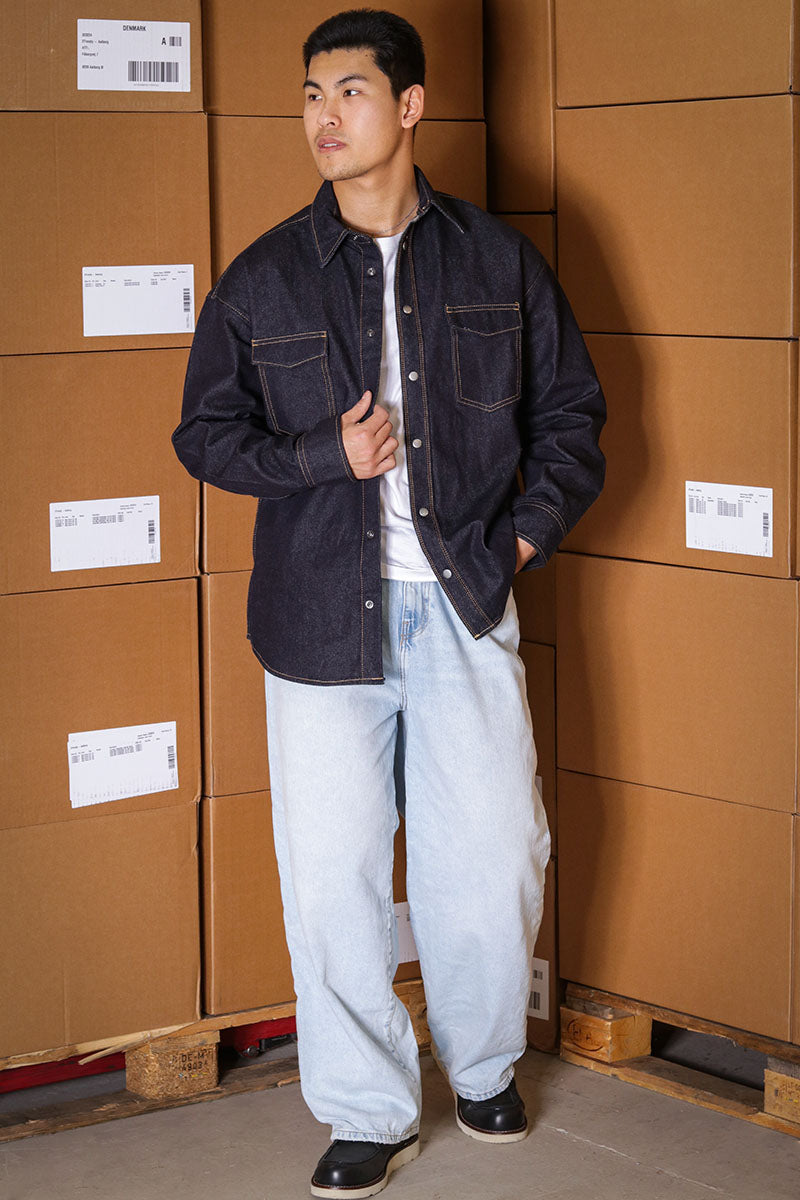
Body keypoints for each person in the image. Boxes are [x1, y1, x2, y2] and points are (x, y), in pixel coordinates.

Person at [173, 8, 606, 1196]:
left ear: (409, 106)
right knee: (333, 877)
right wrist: (324, 453)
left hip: (462, 605)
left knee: (494, 859)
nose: (325, 117)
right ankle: (367, 1109)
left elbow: (571, 418)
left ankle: (482, 1068)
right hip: (319, 619)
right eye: (311, 96)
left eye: (350, 92)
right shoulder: (264, 276)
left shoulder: (495, 262)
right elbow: (203, 434)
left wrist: (518, 541)